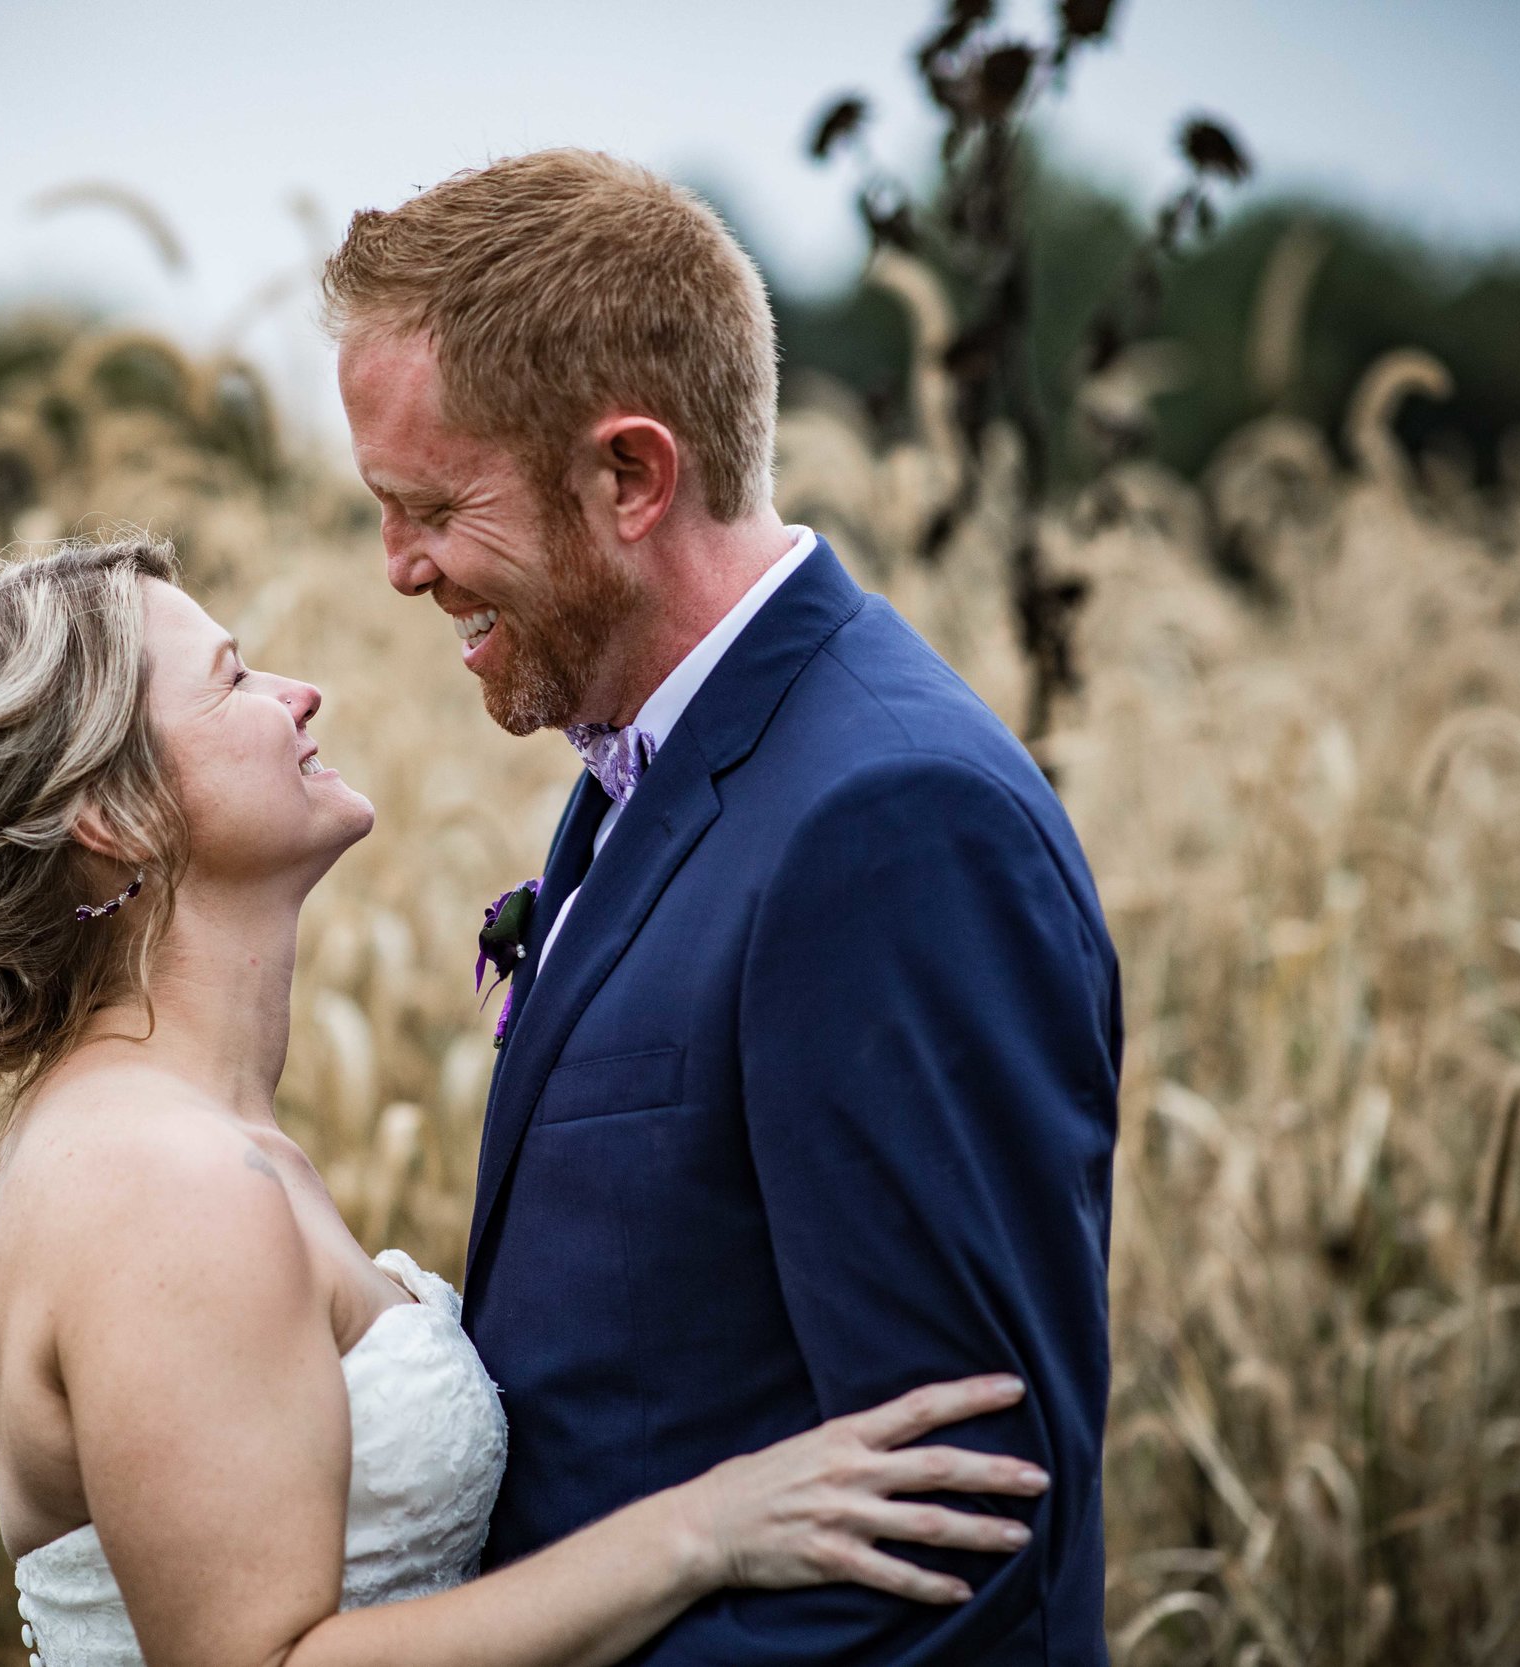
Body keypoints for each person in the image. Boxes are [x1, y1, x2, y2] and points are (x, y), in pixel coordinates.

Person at [0, 535, 1049, 1667]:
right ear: (111, 814)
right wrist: (703, 1530)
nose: (297, 692)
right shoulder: (163, 1185)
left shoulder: (166, 1134)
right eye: (234, 679)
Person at [326, 149, 1122, 1666]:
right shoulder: (655, 755)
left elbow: (960, 1538)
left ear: (630, 476)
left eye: (430, 505)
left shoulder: (889, 823)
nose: (399, 568)